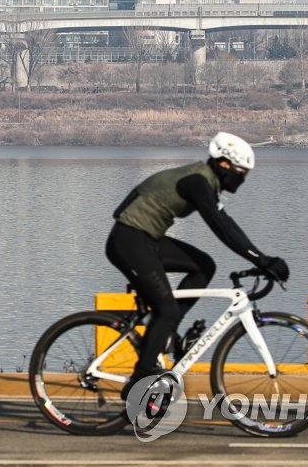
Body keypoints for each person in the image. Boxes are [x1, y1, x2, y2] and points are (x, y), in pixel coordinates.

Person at [105, 132, 289, 396]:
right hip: (128, 241)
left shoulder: (206, 181)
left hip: (145, 238)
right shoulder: (197, 181)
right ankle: (140, 380)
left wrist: (259, 257)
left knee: (204, 265)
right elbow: (221, 227)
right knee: (166, 310)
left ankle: (168, 331)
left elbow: (227, 224)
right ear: (224, 164)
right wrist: (261, 259)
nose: (242, 179)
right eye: (241, 172)